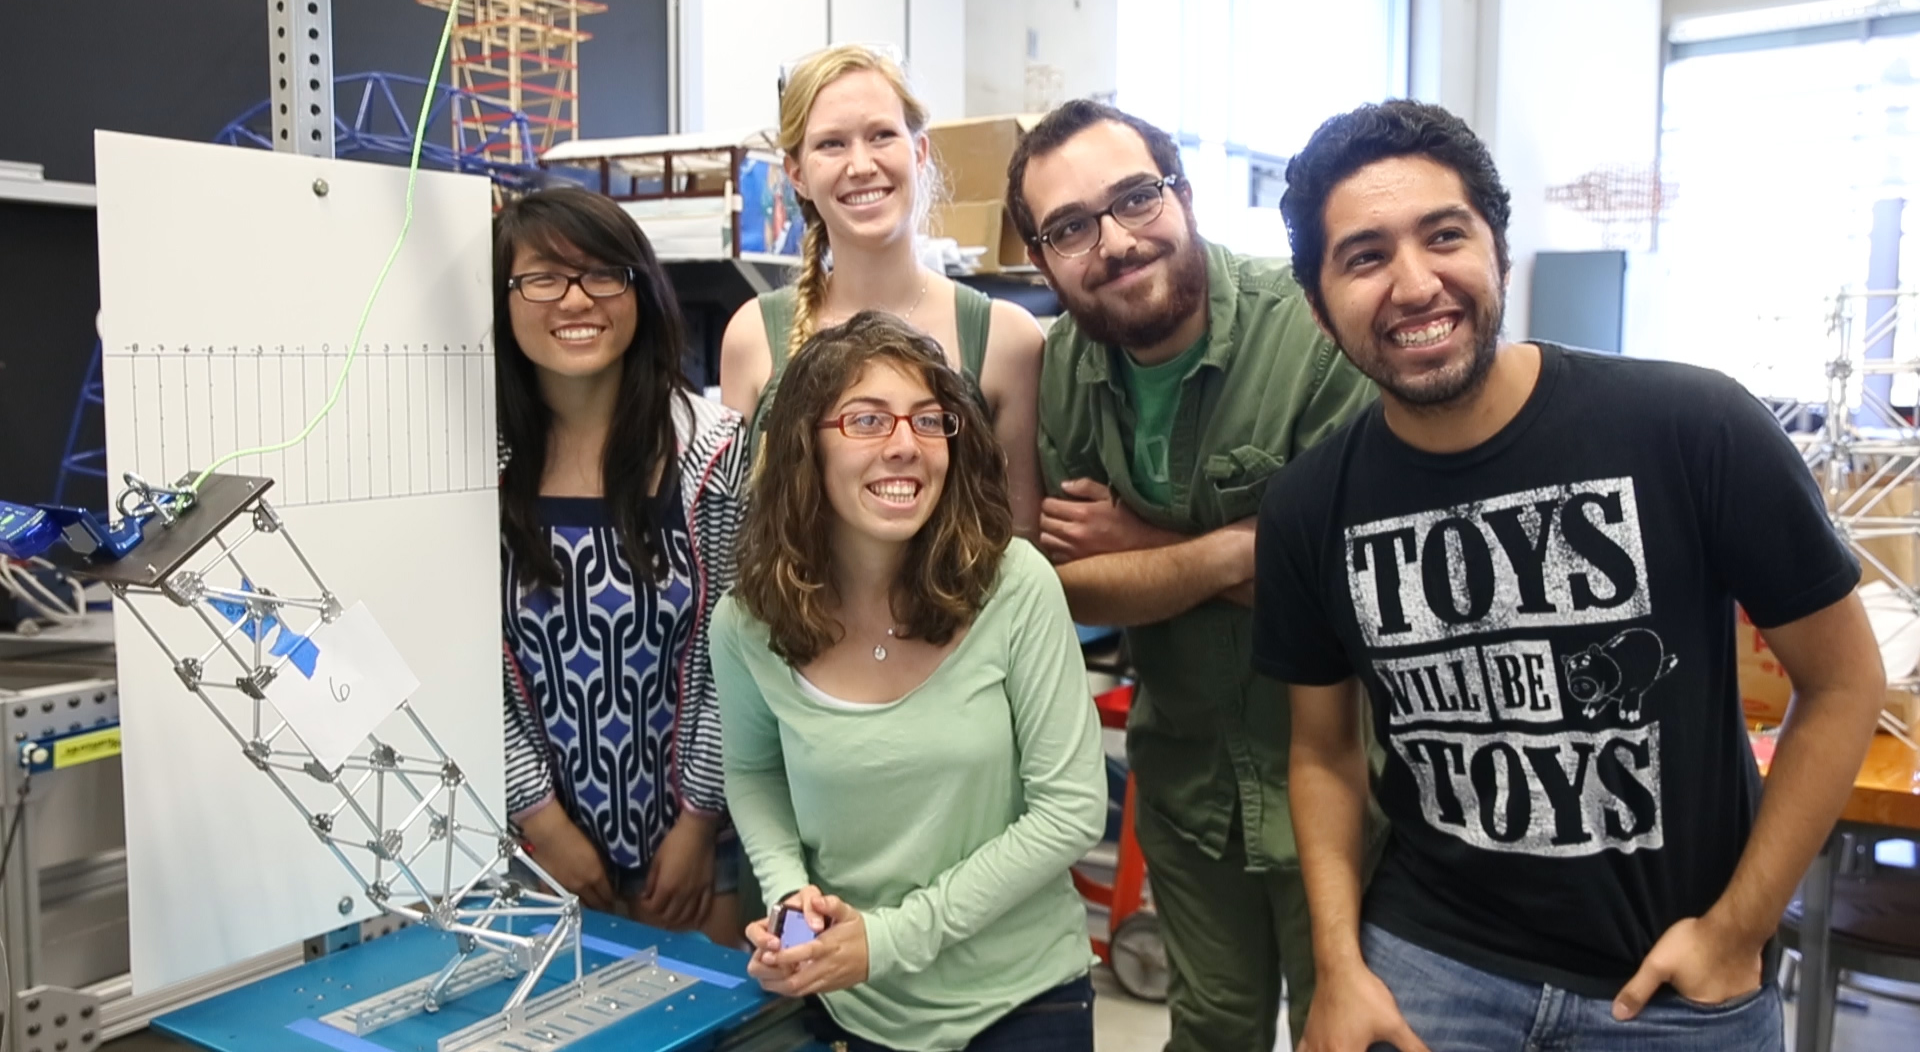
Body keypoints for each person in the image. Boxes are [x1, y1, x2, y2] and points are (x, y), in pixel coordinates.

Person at [1254, 99, 1887, 1052]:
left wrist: (1739, 930)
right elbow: (1324, 754)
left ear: (1499, 251)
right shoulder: (1309, 505)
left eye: (1445, 236)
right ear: (1318, 303)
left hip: (1670, 990)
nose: (1416, 283)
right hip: (1429, 970)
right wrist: (1341, 967)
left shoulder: (1693, 427)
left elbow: (1843, 682)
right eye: (1365, 255)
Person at [1007, 99, 1380, 1050]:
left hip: (1350, 780)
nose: (1117, 242)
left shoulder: (1312, 332)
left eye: (1135, 198)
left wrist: (1139, 538)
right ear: (1040, 259)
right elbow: (1059, 587)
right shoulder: (1058, 370)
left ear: (1183, 192)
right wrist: (1240, 548)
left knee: (1356, 1032)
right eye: (1070, 227)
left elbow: (1346, 581)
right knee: (1212, 1031)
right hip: (1188, 784)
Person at [710, 312, 1106, 1052]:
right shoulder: (747, 624)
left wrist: (888, 939)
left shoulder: (1014, 586)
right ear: (806, 446)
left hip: (1019, 1000)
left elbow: (1072, 811)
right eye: (866, 420)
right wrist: (795, 907)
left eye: (930, 421)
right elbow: (755, 774)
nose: (905, 445)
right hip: (854, 1005)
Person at [495, 187, 748, 945]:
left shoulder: (716, 451)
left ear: (640, 290)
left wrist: (698, 824)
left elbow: (739, 655)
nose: (576, 299)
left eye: (604, 274)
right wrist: (542, 822)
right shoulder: (476, 467)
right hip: (534, 849)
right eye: (543, 277)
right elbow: (467, 671)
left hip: (700, 851)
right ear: (505, 300)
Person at [720, 43, 1045, 537]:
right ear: (797, 175)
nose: (861, 164)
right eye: (831, 144)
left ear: (919, 152)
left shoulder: (1006, 339)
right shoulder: (753, 336)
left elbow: (1022, 546)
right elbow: (739, 538)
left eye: (881, 136)